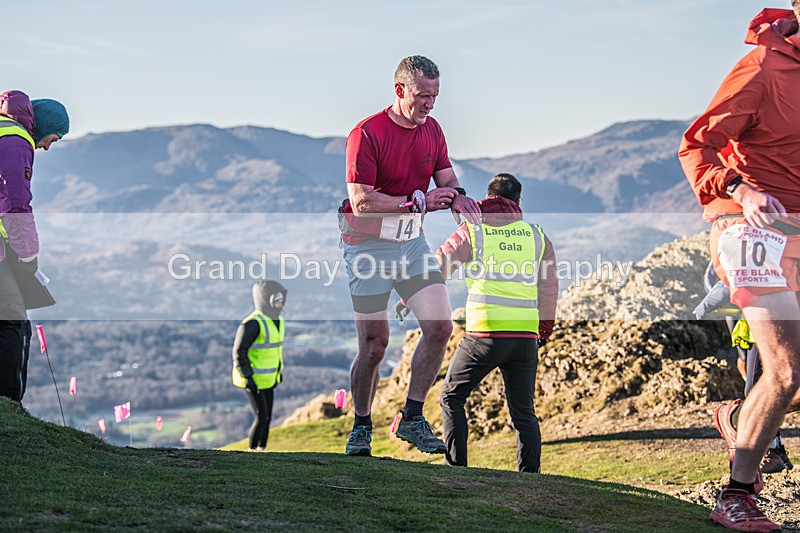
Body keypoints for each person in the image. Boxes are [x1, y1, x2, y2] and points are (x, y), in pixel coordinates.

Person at [678, 5, 800, 531]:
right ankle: (736, 495)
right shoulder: (763, 68)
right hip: (748, 228)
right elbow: (695, 145)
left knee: (789, 378)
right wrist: (740, 187)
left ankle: (737, 415)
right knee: (786, 370)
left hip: (797, 236)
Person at [339, 55, 481, 456]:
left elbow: (446, 178)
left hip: (411, 244)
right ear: (400, 90)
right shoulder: (367, 133)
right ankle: (361, 426)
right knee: (374, 345)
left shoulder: (432, 130)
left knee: (440, 327)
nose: (429, 104)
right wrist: (416, 202)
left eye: (435, 96)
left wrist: (458, 198)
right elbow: (362, 201)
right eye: (422, 96)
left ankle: (412, 418)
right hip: (367, 247)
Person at [435, 173, 558, 472]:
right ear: (518, 201)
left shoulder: (472, 231)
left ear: (488, 197)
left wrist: (408, 297)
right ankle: (530, 477)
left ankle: (456, 468)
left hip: (484, 336)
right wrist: (544, 329)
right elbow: (549, 287)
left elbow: (437, 267)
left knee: (451, 397)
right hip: (525, 338)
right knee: (524, 412)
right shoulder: (536, 236)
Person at [0, 91, 69, 402]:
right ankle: (8, 407)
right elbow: (15, 205)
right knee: (12, 321)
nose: (48, 146)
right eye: (53, 138)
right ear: (42, 126)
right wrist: (28, 256)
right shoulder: (15, 141)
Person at [232, 280, 287, 451]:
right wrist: (248, 377)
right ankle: (251, 452)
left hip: (269, 379)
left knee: (268, 417)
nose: (280, 304)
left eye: (282, 300)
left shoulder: (278, 321)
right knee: (261, 417)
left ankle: (262, 451)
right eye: (276, 300)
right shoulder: (253, 323)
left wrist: (278, 373)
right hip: (253, 380)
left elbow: (274, 351)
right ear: (265, 300)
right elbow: (239, 352)